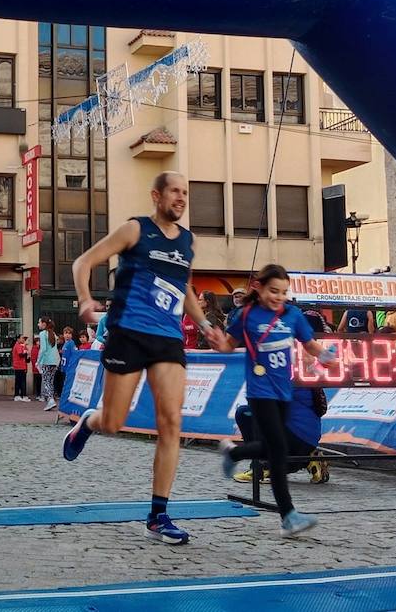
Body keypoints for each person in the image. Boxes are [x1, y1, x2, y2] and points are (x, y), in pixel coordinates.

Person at [61, 171, 208, 544]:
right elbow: (83, 263)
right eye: (175, 191)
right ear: (156, 195)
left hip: (167, 339)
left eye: (185, 192)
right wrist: (84, 300)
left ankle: (158, 515)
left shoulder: (188, 241)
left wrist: (206, 326)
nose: (181, 198)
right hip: (128, 333)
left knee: (171, 421)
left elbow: (185, 287)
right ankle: (88, 424)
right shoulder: (135, 230)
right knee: (113, 421)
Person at [206, 263, 340, 538]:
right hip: (260, 391)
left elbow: (311, 345)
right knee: (278, 449)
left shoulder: (292, 315)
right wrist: (216, 340)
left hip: (283, 392)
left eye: (283, 292)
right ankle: (288, 516)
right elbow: (228, 346)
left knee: (269, 446)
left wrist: (327, 358)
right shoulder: (246, 315)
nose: (278, 296)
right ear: (259, 287)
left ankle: (235, 452)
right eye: (273, 291)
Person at [233, 310, 331, 486]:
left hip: (291, 438)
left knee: (246, 413)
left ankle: (262, 466)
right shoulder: (309, 370)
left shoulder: (284, 365)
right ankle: (308, 458)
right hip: (308, 437)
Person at [36, 319, 60, 410]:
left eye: (39, 322)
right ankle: (51, 399)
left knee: (46, 381)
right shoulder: (53, 334)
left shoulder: (42, 334)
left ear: (44, 324)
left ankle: (50, 399)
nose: (38, 324)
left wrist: (38, 361)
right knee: (50, 381)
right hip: (54, 361)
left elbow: (43, 349)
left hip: (46, 361)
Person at [57, 326, 77, 401]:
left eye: (69, 333)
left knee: (67, 383)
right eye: (66, 333)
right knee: (64, 382)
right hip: (64, 367)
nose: (67, 335)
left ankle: (68, 397)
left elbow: (74, 353)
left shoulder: (71, 343)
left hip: (68, 367)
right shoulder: (65, 343)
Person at [12, 334, 31, 401]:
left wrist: (28, 355)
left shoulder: (23, 347)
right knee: (20, 381)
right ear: (18, 339)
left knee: (21, 381)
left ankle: (20, 395)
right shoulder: (17, 345)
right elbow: (20, 355)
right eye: (22, 338)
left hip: (23, 366)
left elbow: (27, 359)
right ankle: (21, 395)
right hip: (18, 366)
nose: (23, 340)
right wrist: (26, 353)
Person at [30, 334, 42, 399]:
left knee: (40, 381)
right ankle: (38, 394)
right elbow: (34, 359)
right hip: (37, 368)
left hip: (40, 367)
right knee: (38, 381)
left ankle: (39, 394)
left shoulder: (40, 348)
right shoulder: (35, 348)